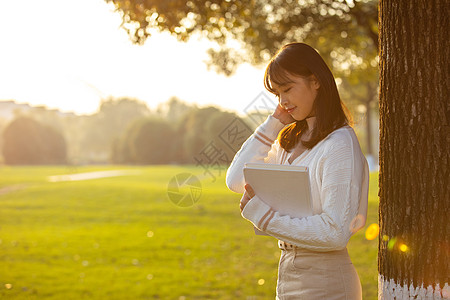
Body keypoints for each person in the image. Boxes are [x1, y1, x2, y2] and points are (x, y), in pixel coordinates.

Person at [225, 43, 369, 299]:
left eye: (288, 89)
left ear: (315, 81)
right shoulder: (288, 142)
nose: (283, 101)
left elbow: (335, 233)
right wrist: (274, 123)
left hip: (328, 283)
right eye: (277, 94)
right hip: (288, 273)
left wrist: (265, 217)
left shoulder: (339, 144)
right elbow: (236, 180)